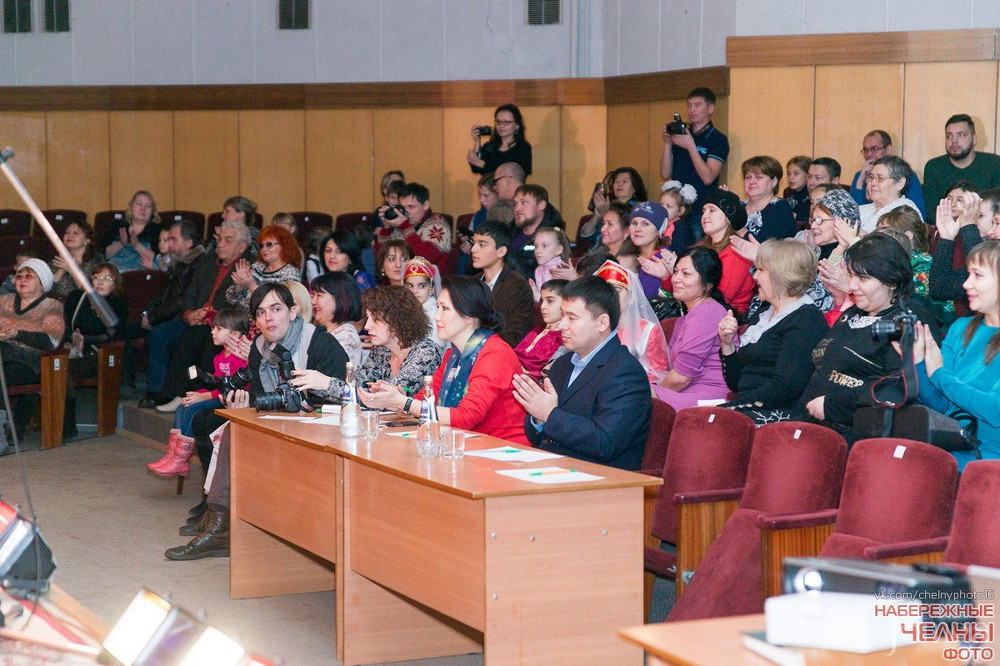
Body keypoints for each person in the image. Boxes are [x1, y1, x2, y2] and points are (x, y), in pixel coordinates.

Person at [165, 283, 348, 561]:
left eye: (276, 309)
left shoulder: (319, 342)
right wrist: (244, 403)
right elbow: (261, 396)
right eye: (261, 313)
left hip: (324, 426)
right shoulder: (261, 346)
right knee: (232, 427)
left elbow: (343, 397)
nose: (268, 319)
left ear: (293, 311)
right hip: (283, 420)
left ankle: (220, 523)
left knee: (232, 431)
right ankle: (220, 523)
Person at [362, 277, 529, 444]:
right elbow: (424, 400)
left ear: (469, 316)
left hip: (502, 449)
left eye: (445, 309)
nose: (436, 317)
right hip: (464, 444)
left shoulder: (495, 354)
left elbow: (466, 416)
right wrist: (395, 399)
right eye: (437, 308)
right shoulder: (453, 355)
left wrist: (404, 403)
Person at [512, 275, 652, 470]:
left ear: (602, 323)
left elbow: (606, 443)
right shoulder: (562, 364)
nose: (561, 325)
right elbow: (536, 436)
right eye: (562, 316)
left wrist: (549, 414)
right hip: (553, 470)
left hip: (600, 482)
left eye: (572, 318)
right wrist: (537, 417)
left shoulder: (626, 373)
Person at [794, 233, 919, 440]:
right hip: (810, 421)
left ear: (892, 281)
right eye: (851, 275)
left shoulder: (905, 320)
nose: (851, 286)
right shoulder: (852, 313)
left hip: (855, 433)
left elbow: (895, 386)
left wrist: (831, 406)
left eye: (862, 278)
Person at [140, 220, 252, 409]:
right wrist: (189, 314)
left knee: (196, 337)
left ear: (241, 246)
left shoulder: (246, 267)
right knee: (160, 333)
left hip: (219, 323)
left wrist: (210, 315)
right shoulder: (207, 260)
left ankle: (181, 393)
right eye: (220, 239)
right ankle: (157, 391)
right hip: (193, 319)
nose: (221, 244)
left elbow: (238, 304)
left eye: (228, 240)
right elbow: (190, 292)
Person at [719, 240, 828, 421]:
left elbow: (784, 388)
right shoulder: (765, 313)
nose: (755, 276)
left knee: (706, 422)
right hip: (752, 408)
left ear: (781, 275)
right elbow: (737, 383)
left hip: (782, 415)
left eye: (761, 270)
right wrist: (727, 343)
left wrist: (730, 408)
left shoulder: (806, 319)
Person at [916, 241, 1000, 469]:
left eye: (977, 275)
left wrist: (940, 375)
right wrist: (916, 363)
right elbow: (940, 404)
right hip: (950, 448)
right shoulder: (960, 328)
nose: (966, 283)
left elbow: (994, 410)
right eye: (968, 274)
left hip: (989, 464)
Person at [145, 308, 250, 479]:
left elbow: (229, 389)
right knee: (183, 406)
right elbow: (217, 384)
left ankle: (180, 459)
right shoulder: (220, 357)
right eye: (213, 327)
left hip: (233, 401)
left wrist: (203, 396)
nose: (212, 332)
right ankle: (174, 457)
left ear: (236, 334)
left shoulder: (240, 358)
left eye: (219, 329)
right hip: (220, 396)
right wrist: (195, 394)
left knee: (194, 410)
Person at [317, 285, 442, 401]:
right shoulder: (382, 350)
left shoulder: (426, 352)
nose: (367, 326)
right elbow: (358, 385)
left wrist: (326, 383)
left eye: (375, 320)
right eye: (368, 318)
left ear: (398, 320)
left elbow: (385, 399)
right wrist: (313, 383)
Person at [653, 246, 730, 409]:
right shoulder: (685, 319)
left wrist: (655, 393)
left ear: (708, 284)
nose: (675, 279)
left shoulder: (708, 311)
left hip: (708, 397)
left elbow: (681, 377)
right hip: (685, 391)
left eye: (686, 274)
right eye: (675, 272)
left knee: (632, 393)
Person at [0, 259, 65, 436]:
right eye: (19, 275)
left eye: (29, 276)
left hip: (31, 362)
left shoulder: (52, 305)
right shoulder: (4, 300)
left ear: (42, 282)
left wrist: (17, 334)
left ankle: (10, 428)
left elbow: (50, 340)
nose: (22, 279)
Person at [660, 87, 730, 237]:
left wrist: (691, 146)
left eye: (697, 105)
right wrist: (667, 143)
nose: (692, 110)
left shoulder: (718, 139)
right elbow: (665, 173)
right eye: (689, 105)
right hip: (676, 212)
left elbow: (708, 177)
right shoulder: (682, 133)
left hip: (700, 212)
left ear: (710, 108)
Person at [876, 206, 954, 325]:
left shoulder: (923, 262)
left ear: (907, 236)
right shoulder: (896, 260)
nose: (878, 237)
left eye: (886, 231)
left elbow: (914, 305)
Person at [595, 259, 669, 383]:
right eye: (605, 291)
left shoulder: (647, 331)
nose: (611, 297)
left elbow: (658, 374)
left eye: (617, 291)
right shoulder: (593, 327)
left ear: (632, 295)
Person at [470, 220, 534, 348]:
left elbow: (515, 337)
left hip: (498, 354)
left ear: (501, 251)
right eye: (474, 243)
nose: (473, 249)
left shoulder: (518, 286)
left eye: (482, 244)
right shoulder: (472, 283)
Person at [930, 187, 996, 312]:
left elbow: (983, 267)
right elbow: (939, 289)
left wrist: (969, 227)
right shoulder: (976, 244)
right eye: (974, 215)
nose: (974, 220)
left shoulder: (974, 242)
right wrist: (946, 239)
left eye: (980, 216)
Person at [924, 114, 1000, 208]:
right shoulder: (933, 167)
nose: (954, 141)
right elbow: (932, 212)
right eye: (949, 136)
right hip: (945, 221)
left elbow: (996, 209)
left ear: (974, 139)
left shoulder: (994, 164)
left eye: (961, 135)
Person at [698, 189, 755, 313]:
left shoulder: (738, 252)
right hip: (700, 309)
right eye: (704, 211)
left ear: (728, 218)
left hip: (728, 318)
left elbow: (722, 298)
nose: (705, 216)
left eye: (712, 210)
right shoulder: (700, 246)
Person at [375, 182, 451, 275]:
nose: (406, 212)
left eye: (411, 207)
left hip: (429, 285)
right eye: (402, 207)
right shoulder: (403, 226)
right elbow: (381, 261)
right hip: (400, 284)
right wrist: (385, 229)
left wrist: (405, 226)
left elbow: (424, 260)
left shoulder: (438, 224)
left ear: (425, 205)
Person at [849, 130, 927, 218]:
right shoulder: (860, 175)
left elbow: (919, 215)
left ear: (888, 149)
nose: (869, 154)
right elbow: (852, 213)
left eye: (874, 149)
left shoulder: (905, 174)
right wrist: (860, 180)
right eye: (866, 150)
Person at [226, 224, 302, 310]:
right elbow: (230, 300)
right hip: (241, 320)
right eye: (262, 246)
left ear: (284, 246)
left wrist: (252, 286)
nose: (264, 249)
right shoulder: (257, 267)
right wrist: (239, 285)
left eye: (269, 244)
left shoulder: (290, 273)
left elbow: (277, 306)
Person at [514, 278, 569, 380]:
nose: (542, 306)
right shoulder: (537, 331)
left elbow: (546, 373)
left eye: (550, 301)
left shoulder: (564, 338)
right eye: (542, 300)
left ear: (566, 303)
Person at [577, 167, 647, 244]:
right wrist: (597, 215)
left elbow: (629, 237)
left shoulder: (640, 209)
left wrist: (605, 214)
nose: (619, 184)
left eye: (625, 181)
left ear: (634, 188)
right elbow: (585, 236)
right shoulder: (607, 205)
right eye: (616, 181)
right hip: (597, 252)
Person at [508, 183, 565, 279]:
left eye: (524, 202)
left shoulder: (554, 238)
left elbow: (539, 278)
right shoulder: (510, 230)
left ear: (541, 205)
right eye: (516, 204)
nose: (517, 208)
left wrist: (506, 254)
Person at [310, 271, 363, 367]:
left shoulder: (346, 337)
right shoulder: (320, 330)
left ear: (339, 299)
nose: (313, 301)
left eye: (319, 295)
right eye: (313, 295)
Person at [740, 155, 797, 242]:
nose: (751, 181)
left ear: (774, 181)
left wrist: (741, 231)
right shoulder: (738, 207)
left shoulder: (781, 208)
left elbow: (771, 248)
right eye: (748, 177)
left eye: (758, 177)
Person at [858, 155, 922, 232]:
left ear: (900, 183)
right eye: (871, 177)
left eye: (880, 178)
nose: (873, 183)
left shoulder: (905, 213)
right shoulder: (862, 209)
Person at [468, 103, 532, 177]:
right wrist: (477, 141)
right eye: (498, 122)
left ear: (517, 126)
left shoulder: (523, 147)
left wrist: (482, 164)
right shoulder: (490, 146)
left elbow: (513, 175)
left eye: (506, 122)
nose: (501, 126)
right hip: (489, 188)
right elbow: (475, 169)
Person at [104, 190, 161, 272]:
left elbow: (158, 260)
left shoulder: (156, 229)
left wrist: (137, 245)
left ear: (152, 211)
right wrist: (121, 243)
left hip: (141, 275)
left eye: (148, 206)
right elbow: (105, 255)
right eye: (139, 204)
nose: (143, 209)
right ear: (131, 206)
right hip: (115, 274)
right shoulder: (119, 226)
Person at [49, 220, 103, 302]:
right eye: (67, 233)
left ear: (87, 241)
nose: (69, 236)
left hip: (82, 308)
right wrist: (61, 270)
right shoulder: (56, 261)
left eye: (75, 233)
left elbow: (90, 293)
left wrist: (71, 269)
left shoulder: (96, 260)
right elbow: (47, 291)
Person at [628, 201, 670, 298]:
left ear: (659, 231)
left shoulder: (665, 258)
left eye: (645, 224)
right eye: (634, 223)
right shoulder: (627, 256)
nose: (637, 229)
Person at [403, 256, 443, 348]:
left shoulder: (436, 315)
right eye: (410, 286)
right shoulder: (402, 311)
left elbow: (434, 349)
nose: (415, 291)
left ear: (432, 289)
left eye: (422, 286)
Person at [659, 180, 698, 252]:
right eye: (662, 204)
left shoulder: (679, 228)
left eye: (668, 206)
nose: (663, 209)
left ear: (681, 211)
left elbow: (678, 251)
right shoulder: (661, 223)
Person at [532, 227, 571, 295]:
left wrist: (538, 297)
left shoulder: (561, 269)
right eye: (536, 246)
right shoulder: (538, 270)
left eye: (544, 246)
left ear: (558, 250)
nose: (538, 251)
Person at [783, 155, 812, 223]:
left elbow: (806, 219)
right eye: (788, 174)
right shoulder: (788, 192)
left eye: (796, 173)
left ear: (808, 175)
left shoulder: (812, 193)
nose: (791, 177)